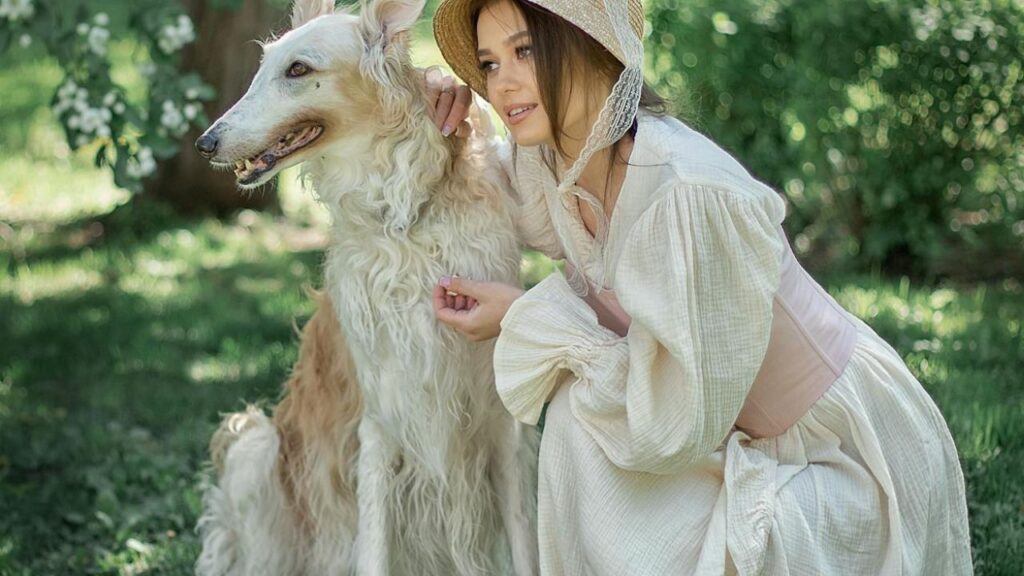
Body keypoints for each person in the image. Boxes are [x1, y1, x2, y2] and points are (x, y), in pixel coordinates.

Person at [427, 0, 973, 573]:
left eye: (525, 50)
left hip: (834, 447)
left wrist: (524, 316)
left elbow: (669, 425)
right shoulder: (556, 162)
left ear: (594, 49)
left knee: (581, 400)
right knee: (576, 408)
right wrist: (445, 107)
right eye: (488, 65)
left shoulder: (681, 189)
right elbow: (487, 182)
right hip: (726, 426)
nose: (502, 83)